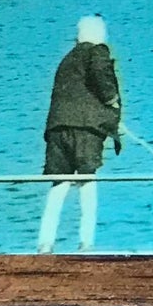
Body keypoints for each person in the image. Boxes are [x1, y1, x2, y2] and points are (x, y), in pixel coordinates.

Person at [37, 15, 123, 254]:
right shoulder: (96, 51)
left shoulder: (67, 59)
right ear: (99, 34)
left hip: (58, 129)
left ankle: (45, 243)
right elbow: (101, 74)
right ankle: (86, 243)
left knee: (59, 185)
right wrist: (112, 101)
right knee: (87, 182)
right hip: (85, 130)